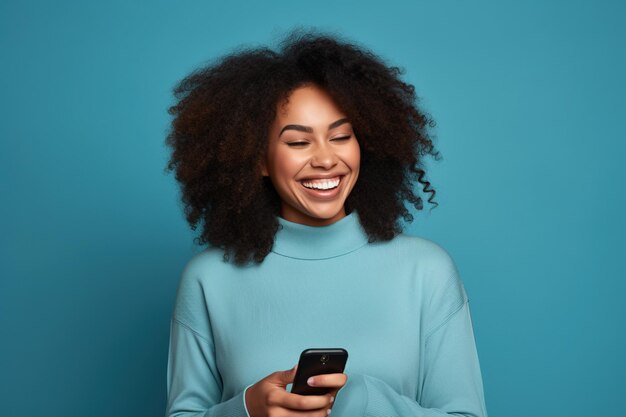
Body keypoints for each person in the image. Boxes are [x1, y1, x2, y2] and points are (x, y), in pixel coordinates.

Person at [164, 29, 488, 417]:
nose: (325, 159)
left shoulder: (426, 271)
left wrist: (363, 400)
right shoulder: (209, 279)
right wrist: (248, 408)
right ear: (259, 160)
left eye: (341, 136)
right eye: (299, 142)